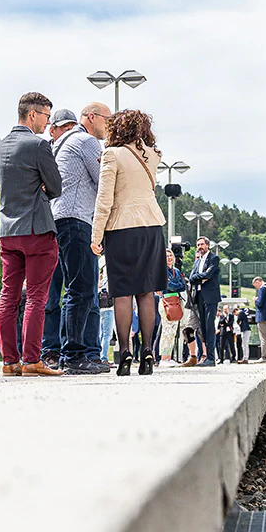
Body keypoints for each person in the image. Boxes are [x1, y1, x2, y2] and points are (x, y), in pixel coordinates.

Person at [90, 109, 167, 377]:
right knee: (146, 292)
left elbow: (104, 200)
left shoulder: (112, 154)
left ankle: (125, 353)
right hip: (152, 226)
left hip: (122, 227)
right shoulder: (153, 155)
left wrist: (96, 235)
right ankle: (147, 350)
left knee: (122, 292)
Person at [0, 92, 64, 377]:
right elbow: (56, 186)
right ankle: (32, 360)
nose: (48, 124)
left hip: (7, 231)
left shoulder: (0, 147)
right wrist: (42, 191)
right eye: (47, 117)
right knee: (36, 296)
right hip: (36, 229)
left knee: (8, 296)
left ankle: (9, 362)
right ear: (32, 114)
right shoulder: (38, 145)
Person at [47, 102, 111, 374]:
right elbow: (104, 181)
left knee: (72, 289)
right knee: (82, 290)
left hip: (60, 221)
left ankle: (70, 352)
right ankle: (74, 356)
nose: (109, 126)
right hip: (76, 220)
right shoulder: (85, 141)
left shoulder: (62, 144)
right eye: (107, 120)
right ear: (91, 117)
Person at [42, 108, 78, 354]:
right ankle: (50, 349)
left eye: (72, 127)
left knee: (72, 291)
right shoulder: (45, 151)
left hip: (68, 223)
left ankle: (65, 348)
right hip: (47, 225)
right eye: (64, 127)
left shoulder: (77, 149)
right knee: (50, 294)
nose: (69, 132)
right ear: (51, 129)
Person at [188, 237, 221, 366]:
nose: (200, 247)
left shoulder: (213, 258)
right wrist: (200, 278)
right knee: (202, 327)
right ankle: (206, 356)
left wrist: (201, 277)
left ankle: (211, 358)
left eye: (202, 244)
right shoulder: (197, 262)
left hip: (210, 296)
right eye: (198, 245)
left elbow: (208, 275)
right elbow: (191, 278)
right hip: (199, 295)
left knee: (209, 325)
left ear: (207, 245)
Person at [157, 248, 186, 365]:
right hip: (166, 300)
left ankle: (169, 357)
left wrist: (174, 284)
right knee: (166, 330)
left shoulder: (176, 271)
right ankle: (164, 358)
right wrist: (175, 284)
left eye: (170, 256)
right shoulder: (161, 271)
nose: (169, 258)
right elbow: (167, 285)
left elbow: (182, 286)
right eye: (166, 256)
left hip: (176, 300)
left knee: (173, 331)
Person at [97, 261, 114, 363]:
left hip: (99, 309)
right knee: (107, 335)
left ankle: (98, 356)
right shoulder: (111, 280)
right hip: (108, 309)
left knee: (100, 335)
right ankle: (104, 358)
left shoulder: (99, 280)